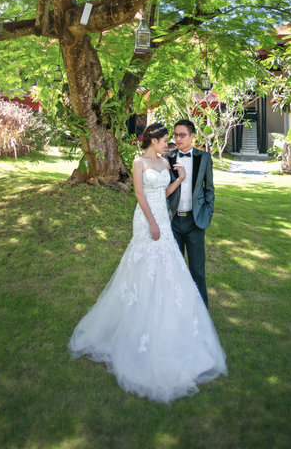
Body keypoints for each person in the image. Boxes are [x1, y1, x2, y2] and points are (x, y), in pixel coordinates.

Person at [68, 122, 227, 403]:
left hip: (164, 221)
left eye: (172, 138)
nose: (169, 143)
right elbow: (140, 194)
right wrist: (152, 222)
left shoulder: (166, 163)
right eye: (165, 139)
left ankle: (170, 321)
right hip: (146, 221)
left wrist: (178, 180)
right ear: (153, 140)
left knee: (170, 267)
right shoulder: (138, 161)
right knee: (141, 265)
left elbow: (164, 193)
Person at [167, 119, 214, 308]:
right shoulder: (167, 157)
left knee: (197, 270)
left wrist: (207, 213)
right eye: (175, 135)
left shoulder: (204, 158)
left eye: (182, 135)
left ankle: (201, 310)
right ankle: (175, 308)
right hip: (174, 221)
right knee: (174, 269)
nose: (178, 139)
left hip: (195, 222)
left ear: (192, 136)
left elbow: (209, 188)